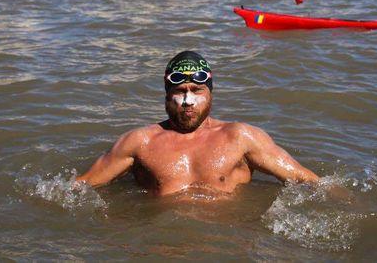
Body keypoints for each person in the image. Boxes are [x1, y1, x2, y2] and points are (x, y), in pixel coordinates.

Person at [76, 51, 349, 198]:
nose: (187, 101)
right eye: (179, 91)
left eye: (196, 90)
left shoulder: (240, 138)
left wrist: (350, 205)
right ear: (166, 93)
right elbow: (82, 186)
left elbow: (308, 181)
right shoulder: (140, 142)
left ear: (210, 92)